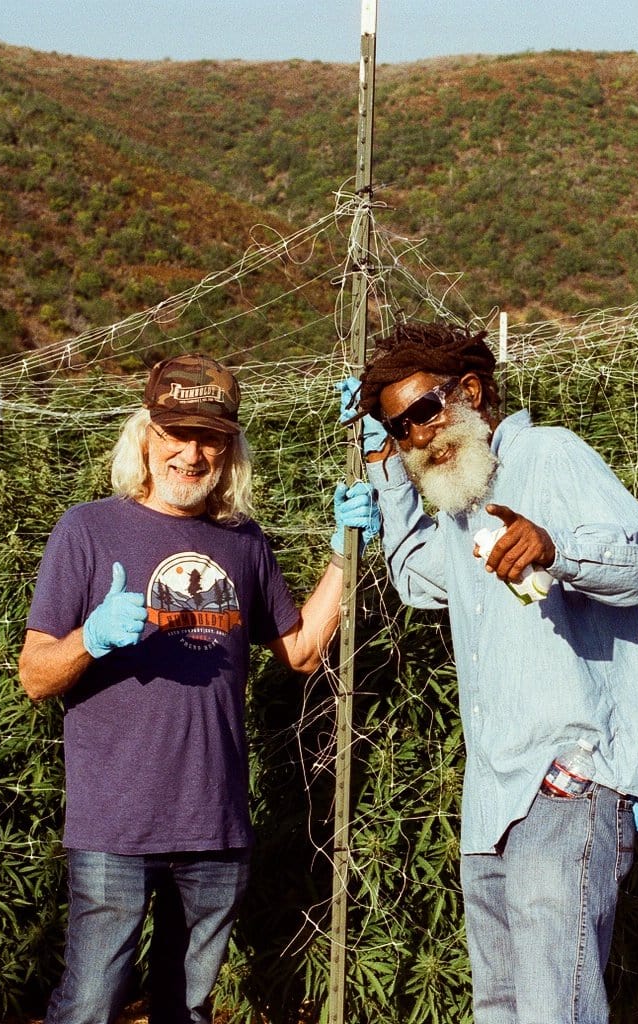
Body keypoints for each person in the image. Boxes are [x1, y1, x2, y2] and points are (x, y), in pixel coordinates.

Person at [338, 321, 638, 1024]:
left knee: (552, 1008)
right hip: (494, 796)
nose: (418, 436)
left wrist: (557, 548)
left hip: (565, 777)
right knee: (500, 1006)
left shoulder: (548, 454)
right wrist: (382, 477)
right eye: (398, 427)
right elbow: (416, 581)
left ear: (470, 392)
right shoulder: (456, 500)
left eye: (424, 411)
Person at [20, 353, 377, 1024]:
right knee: (89, 1004)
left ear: (229, 450)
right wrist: (89, 640)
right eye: (174, 435)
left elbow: (300, 652)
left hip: (214, 825)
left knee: (187, 1010)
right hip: (114, 828)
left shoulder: (243, 542)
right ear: (145, 438)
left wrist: (342, 555)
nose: (190, 453)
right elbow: (34, 675)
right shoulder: (87, 529)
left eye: (208, 438)